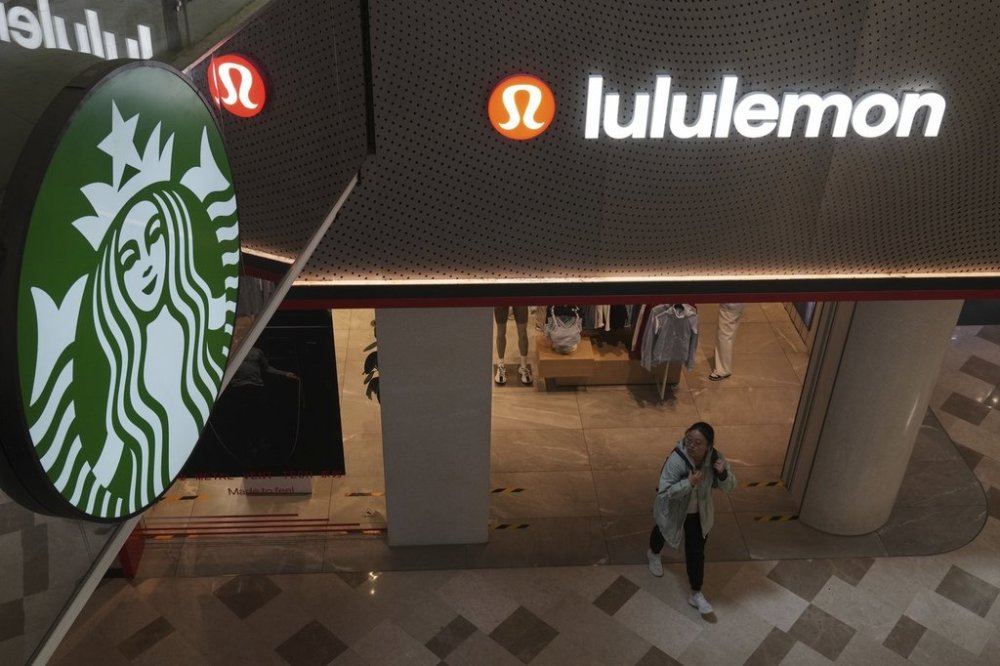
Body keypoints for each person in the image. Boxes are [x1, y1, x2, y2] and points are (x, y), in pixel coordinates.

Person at [646, 422, 736, 616]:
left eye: (698, 443)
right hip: (673, 510)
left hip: (699, 514)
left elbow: (729, 488)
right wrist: (688, 483)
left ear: (709, 446)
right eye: (689, 440)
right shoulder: (677, 460)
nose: (692, 446)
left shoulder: (715, 459)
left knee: (696, 553)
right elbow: (665, 492)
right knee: (663, 531)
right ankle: (653, 553)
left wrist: (723, 474)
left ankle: (696, 593)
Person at [494, 306, 532, 385]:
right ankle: (501, 365)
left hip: (519, 298)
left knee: (523, 333)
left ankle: (523, 366)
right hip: (502, 298)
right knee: (500, 332)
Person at [710, 303, 745, 380]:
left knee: (724, 333)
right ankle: (724, 365)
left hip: (730, 302)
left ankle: (722, 369)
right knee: (731, 328)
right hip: (739, 299)